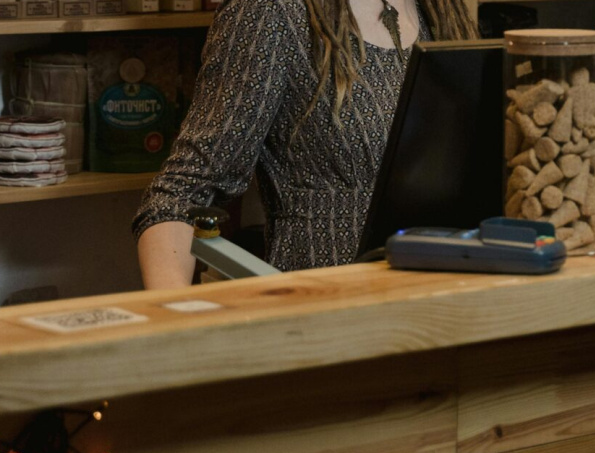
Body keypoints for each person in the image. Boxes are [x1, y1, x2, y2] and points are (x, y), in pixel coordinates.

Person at [133, 0, 476, 289]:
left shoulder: (442, 9)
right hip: (327, 310)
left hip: (451, 303)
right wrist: (173, 323)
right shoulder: (272, 11)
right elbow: (181, 194)